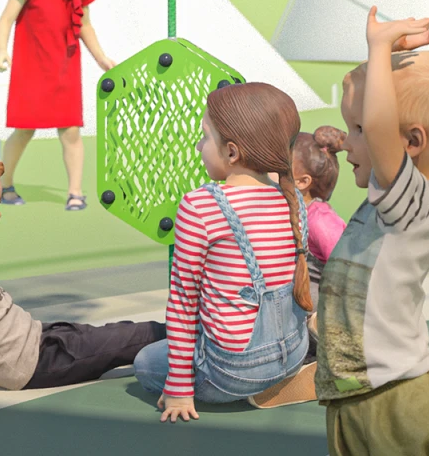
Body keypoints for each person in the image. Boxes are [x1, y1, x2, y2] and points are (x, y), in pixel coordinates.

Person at [255, 9, 429, 451]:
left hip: (393, 398)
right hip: (358, 392)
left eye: (359, 129)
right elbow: (377, 127)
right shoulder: (391, 202)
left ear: (411, 143)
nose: (349, 141)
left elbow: (378, 127)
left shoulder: (414, 204)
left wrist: (379, 46)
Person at [0, 152, 164, 414]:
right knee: (134, 337)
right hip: (34, 363)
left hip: (33, 340)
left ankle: (182, 335)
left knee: (105, 335)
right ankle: (192, 340)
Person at [132, 82, 312, 418]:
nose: (200, 145)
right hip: (291, 351)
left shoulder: (200, 205)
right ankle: (281, 380)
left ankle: (248, 387)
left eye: (205, 136)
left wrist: (179, 389)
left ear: (232, 152)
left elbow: (184, 302)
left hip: (233, 370)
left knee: (146, 363)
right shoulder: (292, 200)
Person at [0, 0, 115, 210]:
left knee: (71, 131)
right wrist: (1, 51)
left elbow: (85, 25)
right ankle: (4, 183)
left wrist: (100, 57)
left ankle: (75, 192)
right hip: (31, 72)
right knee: (24, 130)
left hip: (66, 70)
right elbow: (6, 19)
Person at [292, 126, 349, 271]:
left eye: (280, 166)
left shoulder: (320, 220)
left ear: (303, 182)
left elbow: (345, 269)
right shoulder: (297, 213)